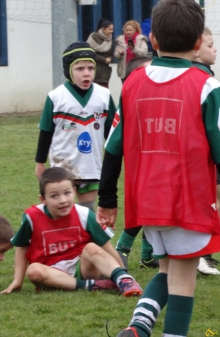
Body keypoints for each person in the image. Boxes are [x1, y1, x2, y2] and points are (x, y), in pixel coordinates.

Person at [97, 1, 220, 336]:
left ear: (152, 40)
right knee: (183, 276)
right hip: (187, 199)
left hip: (147, 200)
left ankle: (138, 327)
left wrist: (107, 199)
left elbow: (113, 147)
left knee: (168, 270)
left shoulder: (133, 82)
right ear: (198, 43)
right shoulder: (206, 86)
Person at [1, 167, 142, 297]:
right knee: (33, 271)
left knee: (92, 248)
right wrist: (17, 281)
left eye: (67, 193)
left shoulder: (85, 214)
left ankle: (122, 280)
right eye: (54, 196)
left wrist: (124, 276)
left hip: (84, 269)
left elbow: (107, 248)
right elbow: (21, 247)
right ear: (43, 199)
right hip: (52, 274)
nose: (62, 200)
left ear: (74, 191)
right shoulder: (32, 217)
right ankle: (92, 286)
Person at [34, 42, 116, 213]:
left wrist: (115, 161)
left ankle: (86, 240)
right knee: (62, 212)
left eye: (90, 68)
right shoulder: (56, 97)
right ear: (68, 71)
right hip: (62, 167)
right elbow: (46, 131)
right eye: (79, 69)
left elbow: (112, 134)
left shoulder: (104, 96)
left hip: (90, 165)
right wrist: (40, 163)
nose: (86, 73)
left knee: (87, 213)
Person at [111, 56, 159, 271]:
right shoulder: (128, 105)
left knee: (155, 207)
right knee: (145, 204)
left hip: (159, 162)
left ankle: (149, 254)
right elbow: (113, 144)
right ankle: (122, 248)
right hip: (139, 164)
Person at [192, 27, 220, 276]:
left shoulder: (204, 74)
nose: (215, 50)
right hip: (206, 155)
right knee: (213, 202)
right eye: (210, 45)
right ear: (196, 49)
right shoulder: (203, 80)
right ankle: (203, 255)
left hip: (202, 154)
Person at [87, 18, 114, 88]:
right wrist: (104, 59)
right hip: (94, 70)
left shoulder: (110, 40)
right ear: (103, 29)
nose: (111, 31)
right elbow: (89, 53)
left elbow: (111, 54)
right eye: (109, 29)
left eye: (112, 29)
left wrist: (110, 59)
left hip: (105, 74)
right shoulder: (94, 37)